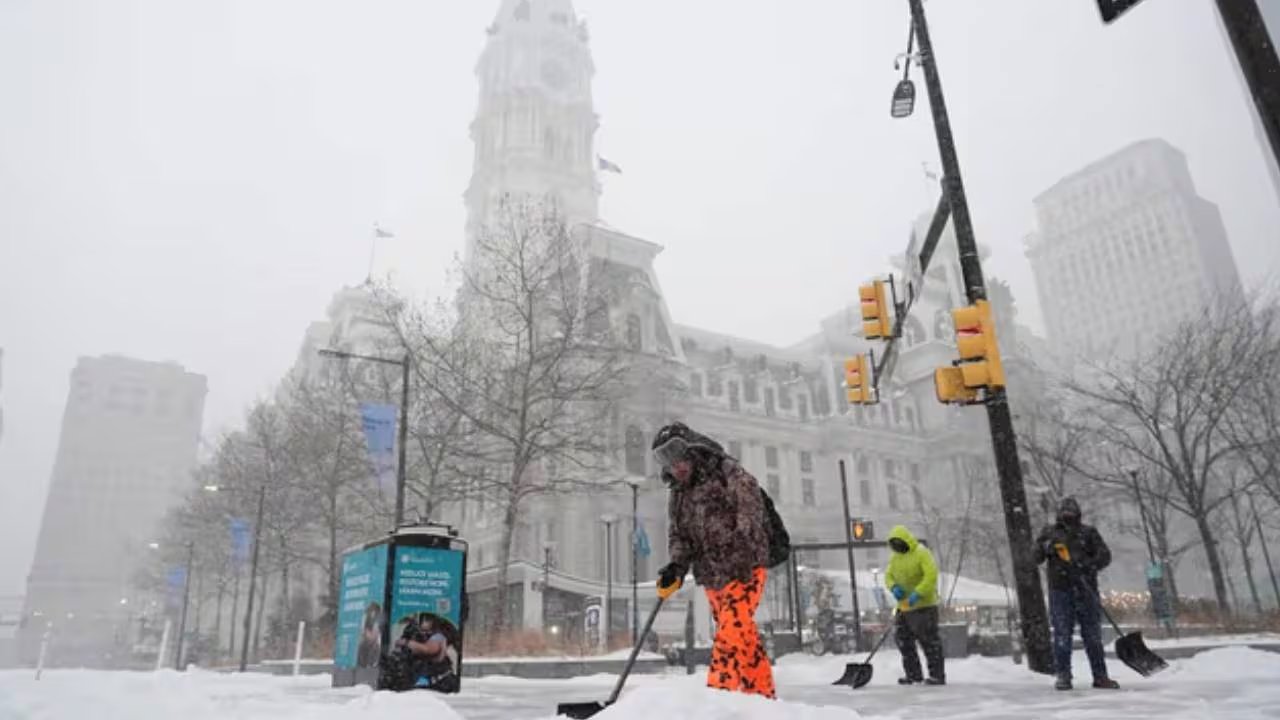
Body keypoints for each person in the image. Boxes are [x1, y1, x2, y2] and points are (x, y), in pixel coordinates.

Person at [651, 422, 775, 699]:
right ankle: (762, 700)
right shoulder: (678, 494)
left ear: (692, 447)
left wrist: (742, 549)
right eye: (666, 461)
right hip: (711, 575)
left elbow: (750, 509)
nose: (676, 466)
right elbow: (679, 534)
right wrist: (677, 566)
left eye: (678, 456)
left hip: (745, 568)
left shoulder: (725, 471)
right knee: (742, 637)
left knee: (730, 635)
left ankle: (719, 699)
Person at [1034, 496, 1119, 691]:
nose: (1068, 514)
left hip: (1086, 591)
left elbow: (1104, 555)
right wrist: (1046, 547)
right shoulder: (1049, 533)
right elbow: (1035, 557)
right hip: (1060, 591)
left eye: (1071, 511)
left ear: (1078, 513)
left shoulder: (1088, 533)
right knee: (1062, 635)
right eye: (1064, 511)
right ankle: (1063, 676)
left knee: (1093, 636)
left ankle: (1100, 676)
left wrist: (1087, 565)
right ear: (1059, 514)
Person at [883, 524, 945, 685]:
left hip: (925, 606)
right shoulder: (895, 558)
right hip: (904, 606)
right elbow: (888, 576)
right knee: (904, 641)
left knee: (929, 641)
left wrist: (918, 593)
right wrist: (894, 587)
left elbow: (931, 575)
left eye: (899, 543)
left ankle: (937, 675)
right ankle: (913, 674)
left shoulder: (921, 553)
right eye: (894, 544)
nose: (897, 547)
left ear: (906, 540)